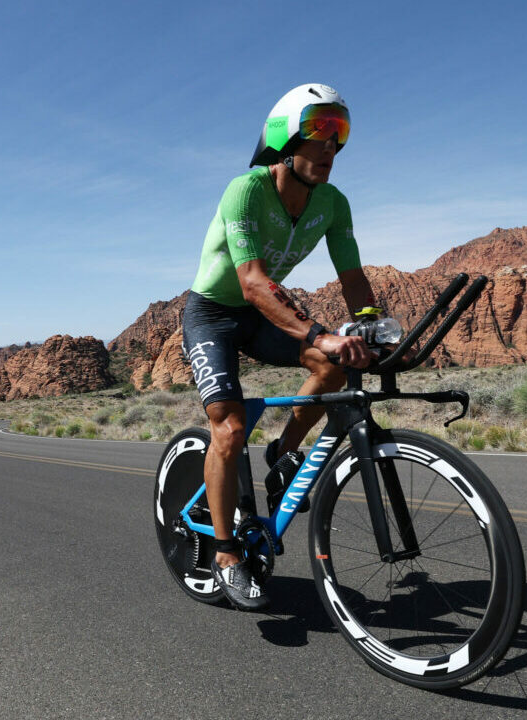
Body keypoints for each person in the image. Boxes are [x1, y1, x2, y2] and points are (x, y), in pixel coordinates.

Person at [181, 83, 383, 611]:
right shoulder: (245, 191)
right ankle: (226, 554)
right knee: (226, 427)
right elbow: (251, 281)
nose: (330, 146)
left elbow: (354, 278)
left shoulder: (333, 205)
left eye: (340, 133)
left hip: (261, 314)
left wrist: (366, 326)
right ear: (285, 135)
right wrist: (319, 332)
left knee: (332, 366)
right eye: (319, 128)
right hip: (214, 313)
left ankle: (283, 450)